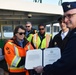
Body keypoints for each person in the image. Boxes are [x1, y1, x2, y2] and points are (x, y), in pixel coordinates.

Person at [34, 1, 76, 75]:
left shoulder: (74, 36)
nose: (65, 21)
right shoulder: (56, 37)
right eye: (65, 17)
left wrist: (44, 69)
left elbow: (65, 64)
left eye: (69, 15)